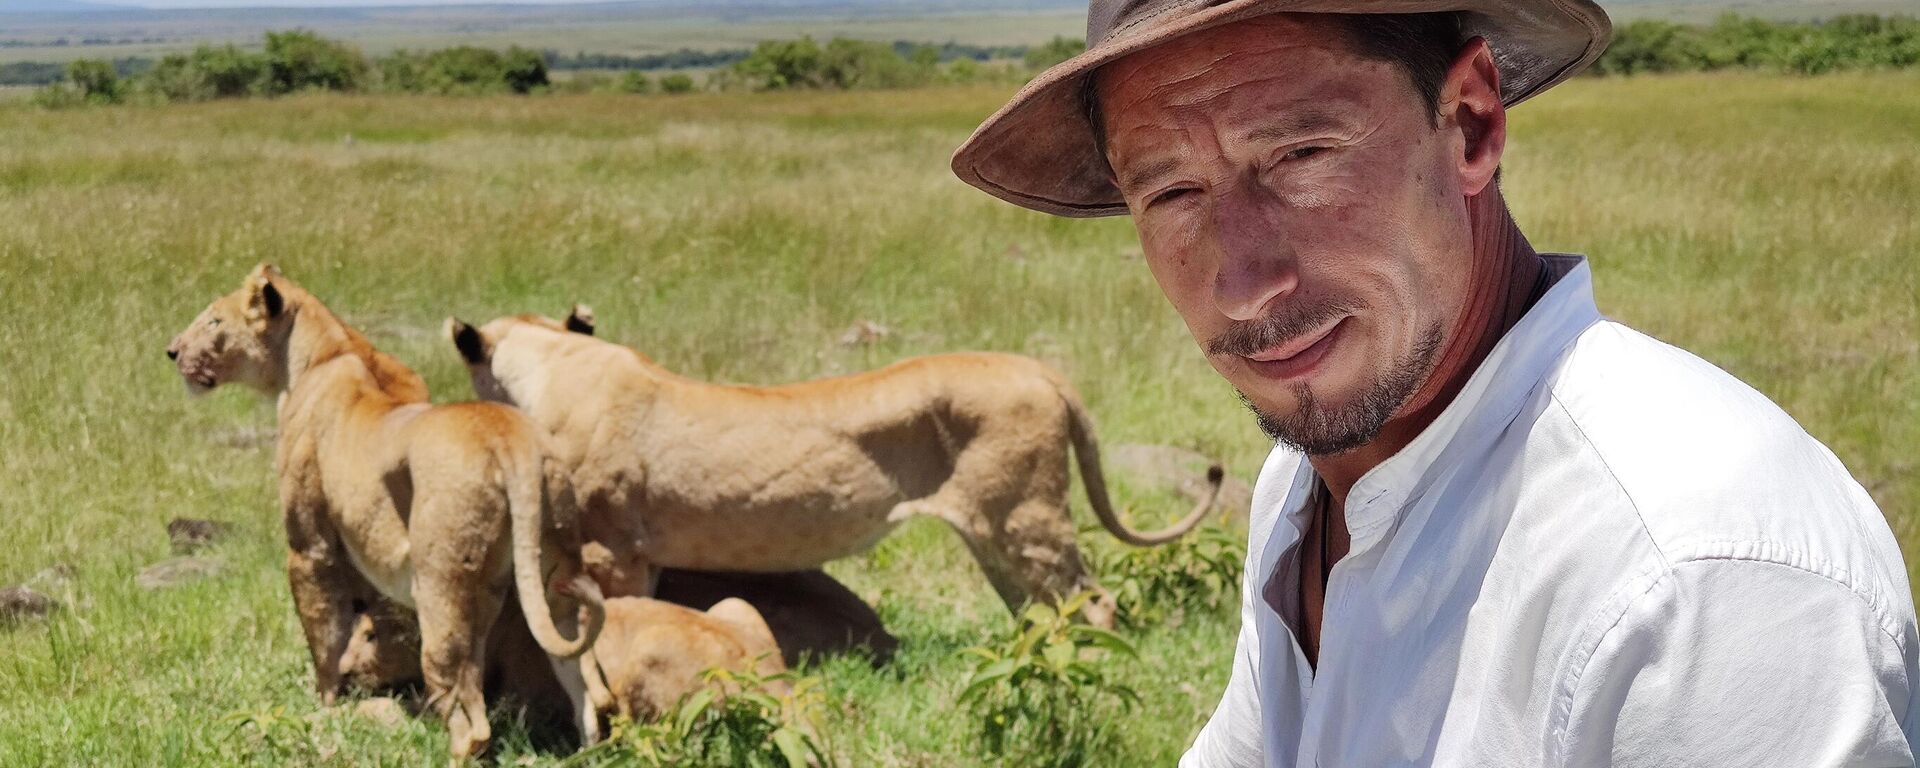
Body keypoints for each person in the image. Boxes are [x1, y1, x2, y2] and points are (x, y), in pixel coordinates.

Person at [951, 1, 1920, 765]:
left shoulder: (1698, 572)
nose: (1247, 287)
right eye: (1171, 192)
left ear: (1469, 122)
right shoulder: (1316, 473)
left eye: (1301, 157)